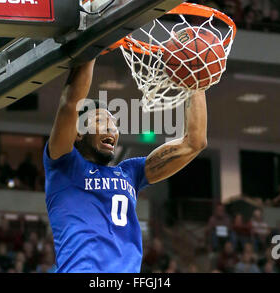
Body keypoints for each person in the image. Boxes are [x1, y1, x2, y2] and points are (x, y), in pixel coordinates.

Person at [43, 59, 208, 273]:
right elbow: (69, 104)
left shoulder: (130, 173)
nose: (112, 129)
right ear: (79, 131)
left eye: (115, 124)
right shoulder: (64, 166)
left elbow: (194, 143)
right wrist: (93, 47)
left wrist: (196, 81)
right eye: (102, 121)